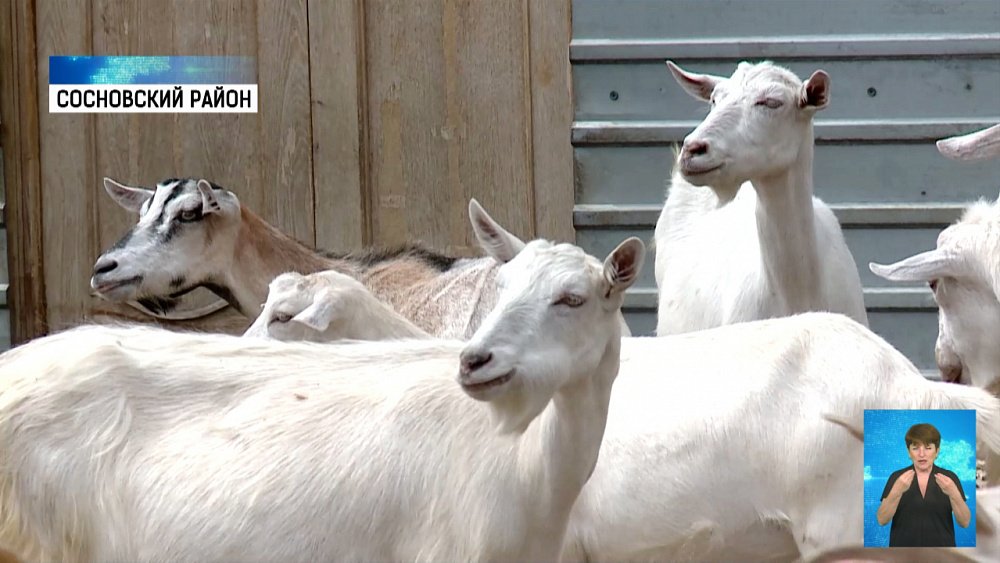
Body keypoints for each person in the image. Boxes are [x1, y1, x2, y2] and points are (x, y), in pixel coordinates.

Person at [875, 422, 971, 547]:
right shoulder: (896, 477)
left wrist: (954, 493)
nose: (921, 454)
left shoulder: (950, 478)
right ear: (909, 452)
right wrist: (896, 491)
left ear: (937, 451)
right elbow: (882, 520)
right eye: (915, 448)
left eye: (928, 448)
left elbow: (964, 522)